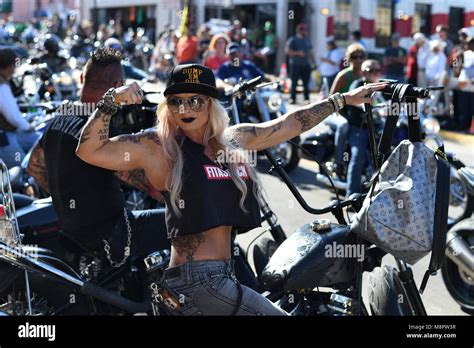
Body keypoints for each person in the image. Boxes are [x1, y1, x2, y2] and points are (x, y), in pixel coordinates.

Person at [75, 63, 386, 315]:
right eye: (177, 100)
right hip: (196, 281)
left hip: (222, 276)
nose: (186, 106)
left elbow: (291, 123)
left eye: (195, 99)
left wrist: (343, 100)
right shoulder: (159, 147)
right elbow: (90, 151)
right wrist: (110, 100)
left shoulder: (231, 142)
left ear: (210, 104)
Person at [27, 47, 170, 265]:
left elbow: (34, 167)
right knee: (183, 223)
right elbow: (152, 187)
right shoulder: (101, 136)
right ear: (117, 87)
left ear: (82, 77)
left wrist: (65, 197)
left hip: (71, 233)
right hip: (114, 236)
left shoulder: (59, 119)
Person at [327, 43, 366, 179]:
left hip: (356, 115)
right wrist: (341, 110)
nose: (358, 60)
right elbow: (330, 99)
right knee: (344, 126)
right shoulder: (344, 75)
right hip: (337, 113)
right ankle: (338, 164)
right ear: (349, 59)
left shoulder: (366, 75)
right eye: (355, 57)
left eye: (361, 56)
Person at [345, 59, 382, 197]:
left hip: (377, 126)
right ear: (363, 72)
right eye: (371, 70)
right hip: (359, 127)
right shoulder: (358, 84)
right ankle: (351, 196)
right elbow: (353, 100)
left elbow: (388, 101)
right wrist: (364, 105)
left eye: (377, 70)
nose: (374, 73)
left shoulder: (380, 86)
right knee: (358, 156)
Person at [0, 48, 41, 168]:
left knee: (37, 139)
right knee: (23, 167)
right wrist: (28, 127)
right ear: (9, 66)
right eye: (14, 64)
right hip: (5, 139)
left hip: (8, 134)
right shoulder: (2, 85)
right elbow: (12, 116)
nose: (15, 68)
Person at [285, 23, 316, 104]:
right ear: (299, 31)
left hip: (306, 65)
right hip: (295, 64)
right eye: (304, 30)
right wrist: (298, 53)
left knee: (306, 83)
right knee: (294, 82)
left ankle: (306, 98)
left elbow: (311, 52)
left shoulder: (307, 40)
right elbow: (287, 51)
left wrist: (314, 62)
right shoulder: (293, 40)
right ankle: (293, 98)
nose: (305, 32)